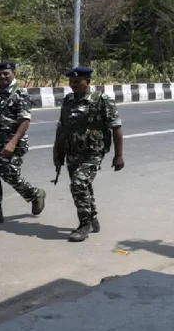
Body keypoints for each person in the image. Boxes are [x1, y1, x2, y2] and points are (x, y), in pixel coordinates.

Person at [53, 66, 124, 242]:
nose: (73, 85)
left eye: (77, 81)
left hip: (93, 152)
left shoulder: (102, 100)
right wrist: (57, 151)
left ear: (88, 82)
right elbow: (61, 127)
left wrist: (119, 155)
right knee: (84, 185)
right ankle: (92, 217)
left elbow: (116, 128)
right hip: (72, 151)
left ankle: (84, 224)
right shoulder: (68, 100)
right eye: (71, 82)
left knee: (78, 184)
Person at [0, 61, 46, 226]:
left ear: (13, 72)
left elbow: (24, 121)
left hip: (13, 142)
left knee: (10, 175)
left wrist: (12, 143)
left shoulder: (20, 94)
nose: (2, 76)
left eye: (5, 73)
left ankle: (35, 194)